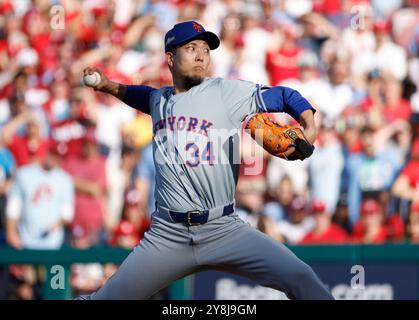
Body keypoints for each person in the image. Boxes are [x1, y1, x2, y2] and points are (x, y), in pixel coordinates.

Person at [80, 21, 333, 300]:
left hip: (224, 229)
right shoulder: (159, 100)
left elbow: (285, 96)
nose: (201, 55)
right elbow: (141, 95)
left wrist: (308, 123)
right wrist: (107, 85)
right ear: (170, 58)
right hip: (167, 235)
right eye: (191, 48)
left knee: (301, 277)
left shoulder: (226, 92)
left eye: (205, 49)